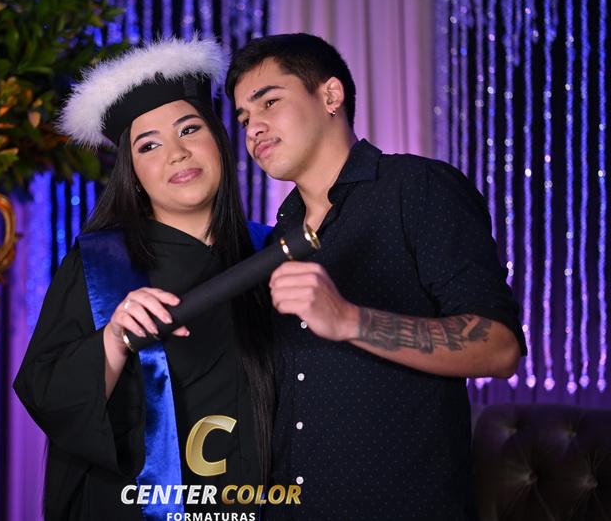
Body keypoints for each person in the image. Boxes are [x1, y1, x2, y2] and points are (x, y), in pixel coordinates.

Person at [225, 33, 526, 520]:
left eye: (269, 103)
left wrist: (350, 320)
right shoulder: (276, 238)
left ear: (330, 95)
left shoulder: (417, 188)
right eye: (243, 118)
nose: (253, 127)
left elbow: (499, 346)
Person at [14, 37, 273, 520]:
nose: (177, 153)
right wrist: (114, 339)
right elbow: (46, 392)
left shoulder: (271, 253)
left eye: (189, 129)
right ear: (132, 172)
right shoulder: (99, 266)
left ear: (218, 139)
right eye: (149, 145)